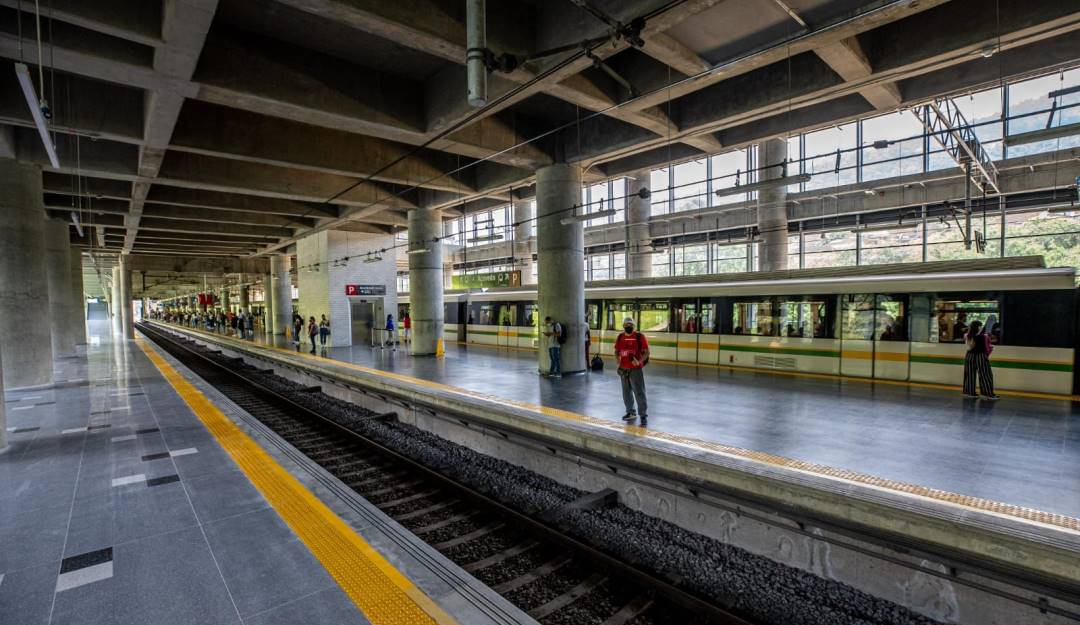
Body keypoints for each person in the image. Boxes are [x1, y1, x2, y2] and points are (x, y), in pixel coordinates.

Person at [614, 316, 649, 422]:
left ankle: (643, 414)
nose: (628, 327)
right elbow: (616, 351)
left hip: (636, 369)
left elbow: (646, 352)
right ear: (623, 326)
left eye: (630, 325)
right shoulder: (620, 337)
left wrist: (640, 361)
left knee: (639, 391)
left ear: (633, 326)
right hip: (624, 369)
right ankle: (630, 412)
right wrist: (618, 362)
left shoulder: (639, 336)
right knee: (626, 392)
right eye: (626, 325)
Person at [963, 320, 998, 400]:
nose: (981, 327)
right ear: (978, 327)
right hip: (980, 356)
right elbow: (987, 347)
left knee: (969, 374)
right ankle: (987, 394)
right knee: (985, 374)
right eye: (980, 326)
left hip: (969, 356)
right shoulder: (983, 336)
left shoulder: (967, 335)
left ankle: (969, 392)